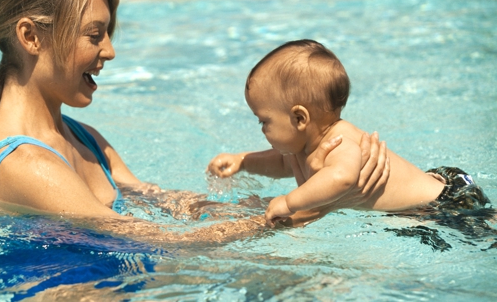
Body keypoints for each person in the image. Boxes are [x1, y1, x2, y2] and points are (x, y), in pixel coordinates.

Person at [0, 0, 387, 241]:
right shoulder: (24, 164)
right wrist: (307, 210)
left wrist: (316, 178)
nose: (110, 51)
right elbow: (161, 241)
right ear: (30, 37)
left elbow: (174, 207)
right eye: (94, 35)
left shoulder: (86, 140)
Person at [208, 39, 490, 227]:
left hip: (446, 202)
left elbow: (341, 177)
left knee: (486, 234)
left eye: (263, 121)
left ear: (299, 117)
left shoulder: (339, 141)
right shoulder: (301, 147)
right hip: (424, 201)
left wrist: (290, 201)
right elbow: (280, 162)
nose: (262, 129)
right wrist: (243, 161)